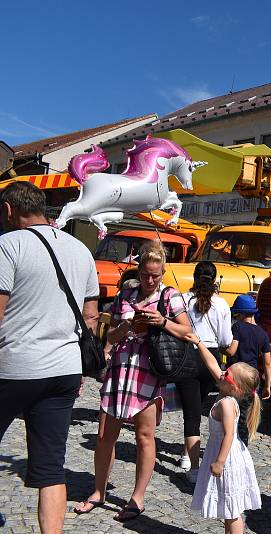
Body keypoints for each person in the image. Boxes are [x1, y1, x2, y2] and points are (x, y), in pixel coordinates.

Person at [0, 182, 99, 534]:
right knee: (50, 469)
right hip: (65, 368)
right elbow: (91, 316)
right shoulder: (80, 250)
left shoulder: (7, 245)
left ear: (9, 210)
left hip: (14, 366)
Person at [75, 241, 192, 521]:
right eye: (145, 275)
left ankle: (137, 498)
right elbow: (111, 337)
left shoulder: (170, 296)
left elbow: (187, 331)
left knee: (144, 437)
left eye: (156, 275)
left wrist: (161, 321)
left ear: (163, 271)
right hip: (120, 370)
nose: (150, 281)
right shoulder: (125, 295)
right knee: (104, 437)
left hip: (148, 370)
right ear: (138, 272)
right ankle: (99, 491)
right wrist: (127, 325)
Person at [184, 332, 261, 534]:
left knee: (232, 511)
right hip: (227, 455)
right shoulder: (228, 391)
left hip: (226, 459)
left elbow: (228, 434)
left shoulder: (227, 403)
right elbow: (212, 365)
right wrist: (199, 343)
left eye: (227, 373)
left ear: (234, 387)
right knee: (229, 509)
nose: (223, 372)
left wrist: (219, 461)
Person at [177, 261, 233, 483]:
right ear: (215, 279)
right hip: (211, 359)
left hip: (188, 356)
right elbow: (225, 340)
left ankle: (191, 465)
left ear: (193, 276)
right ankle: (187, 454)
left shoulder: (182, 300)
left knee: (191, 413)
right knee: (200, 406)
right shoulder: (221, 304)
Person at [229, 294, 271, 445]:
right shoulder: (263, 334)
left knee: (231, 413)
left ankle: (231, 446)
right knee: (245, 416)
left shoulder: (238, 327)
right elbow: (267, 364)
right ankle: (243, 445)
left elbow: (232, 351)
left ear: (240, 314)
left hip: (236, 377)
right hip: (252, 379)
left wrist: (222, 349)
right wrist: (267, 386)